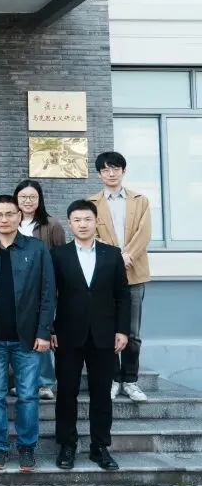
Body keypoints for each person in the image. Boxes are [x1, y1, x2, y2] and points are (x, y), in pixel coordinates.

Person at [0, 195, 54, 473]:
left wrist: (44, 332)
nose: (4, 219)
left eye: (9, 214)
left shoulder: (37, 249)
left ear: (19, 216)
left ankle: (27, 446)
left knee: (28, 396)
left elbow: (47, 293)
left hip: (27, 337)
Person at [51, 199, 131, 472]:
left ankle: (100, 447)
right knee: (66, 393)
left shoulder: (112, 254)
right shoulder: (58, 255)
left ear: (96, 222)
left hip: (104, 335)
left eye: (87, 219)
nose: (82, 224)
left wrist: (122, 330)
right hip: (67, 335)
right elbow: (49, 295)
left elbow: (123, 295)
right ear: (69, 223)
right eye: (77, 220)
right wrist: (50, 329)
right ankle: (67, 446)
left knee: (101, 394)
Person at [88, 151, 152, 403]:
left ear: (124, 171)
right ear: (99, 174)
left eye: (115, 168)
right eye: (105, 169)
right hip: (106, 275)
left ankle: (131, 380)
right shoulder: (91, 203)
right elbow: (90, 235)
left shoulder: (140, 201)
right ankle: (113, 379)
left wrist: (127, 255)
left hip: (134, 272)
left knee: (132, 332)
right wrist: (116, 258)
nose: (111, 173)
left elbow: (144, 233)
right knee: (108, 329)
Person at [13, 179, 67, 400]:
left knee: (41, 332)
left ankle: (44, 383)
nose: (28, 201)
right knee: (17, 337)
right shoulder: (10, 221)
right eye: (23, 197)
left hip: (42, 287)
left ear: (39, 199)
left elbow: (61, 257)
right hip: (14, 288)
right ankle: (24, 382)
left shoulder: (51, 225)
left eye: (32, 197)